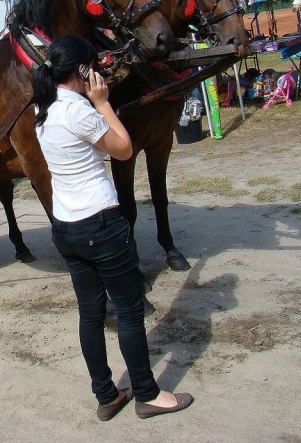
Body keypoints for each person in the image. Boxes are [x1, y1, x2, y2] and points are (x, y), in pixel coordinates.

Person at [32, 35, 194, 422]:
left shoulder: (45, 110)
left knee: (90, 315)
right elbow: (123, 148)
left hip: (67, 226)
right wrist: (103, 104)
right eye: (95, 67)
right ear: (83, 71)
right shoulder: (81, 111)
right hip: (101, 224)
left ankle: (106, 394)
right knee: (129, 310)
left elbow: (98, 148)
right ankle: (147, 393)